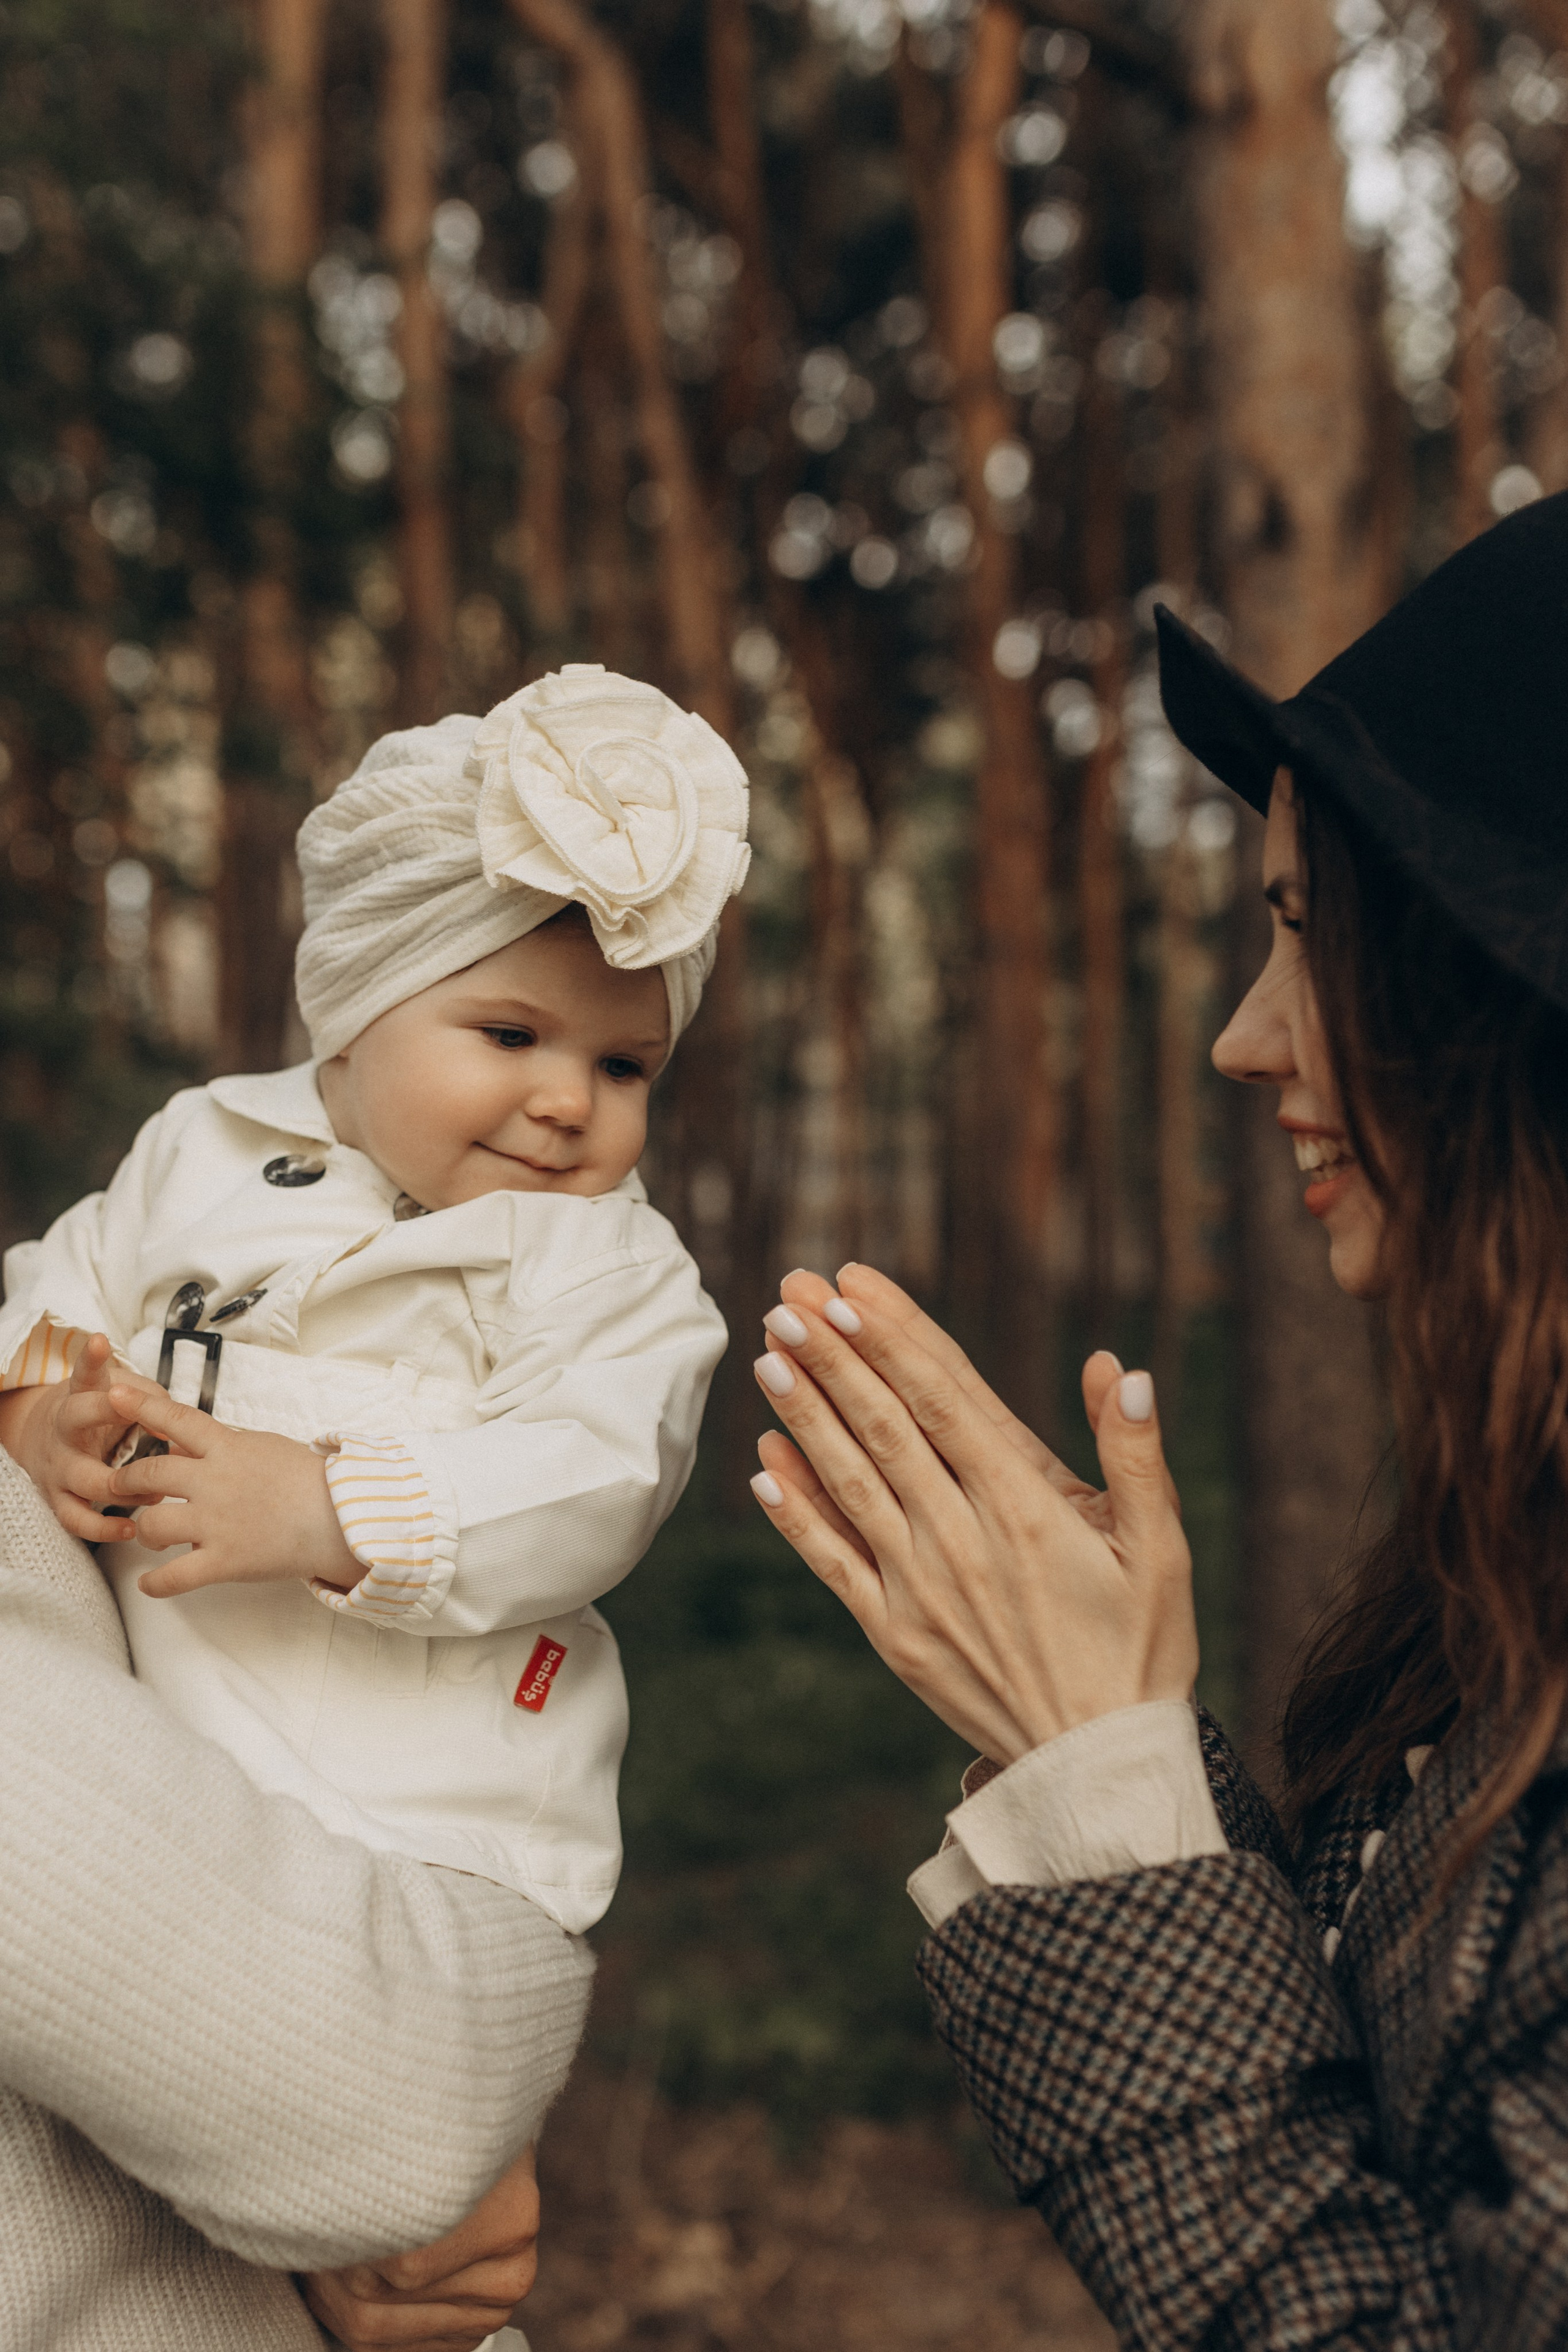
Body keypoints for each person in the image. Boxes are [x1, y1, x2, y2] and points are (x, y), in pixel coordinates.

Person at [744, 488, 1568, 2344]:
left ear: (1502, 991)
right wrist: (1103, 1743)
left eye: (1308, 933)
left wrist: (1101, 1782)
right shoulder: (1505, 1580)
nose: (1245, 1036)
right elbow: (1408, 2138)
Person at [0, 663, 745, 2342]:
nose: (570, 1102)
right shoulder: (198, 1153)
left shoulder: (615, 1278)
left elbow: (597, 1476)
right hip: (178, 1801)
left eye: (627, 1068)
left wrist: (335, 1509)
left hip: (440, 1848)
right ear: (356, 1005)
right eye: (511, 1035)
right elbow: (58, 1290)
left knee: (418, 2286)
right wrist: (41, 1406)